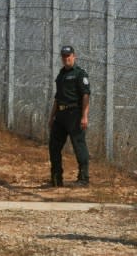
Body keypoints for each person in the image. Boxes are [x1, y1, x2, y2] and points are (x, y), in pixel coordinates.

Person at [48, 45, 91, 187]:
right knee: (54, 146)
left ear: (74, 56)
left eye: (68, 56)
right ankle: (56, 178)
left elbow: (85, 95)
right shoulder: (61, 75)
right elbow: (57, 97)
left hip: (74, 114)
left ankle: (84, 178)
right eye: (64, 56)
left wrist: (84, 116)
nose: (66, 58)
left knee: (79, 146)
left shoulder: (80, 74)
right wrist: (52, 116)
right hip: (60, 115)